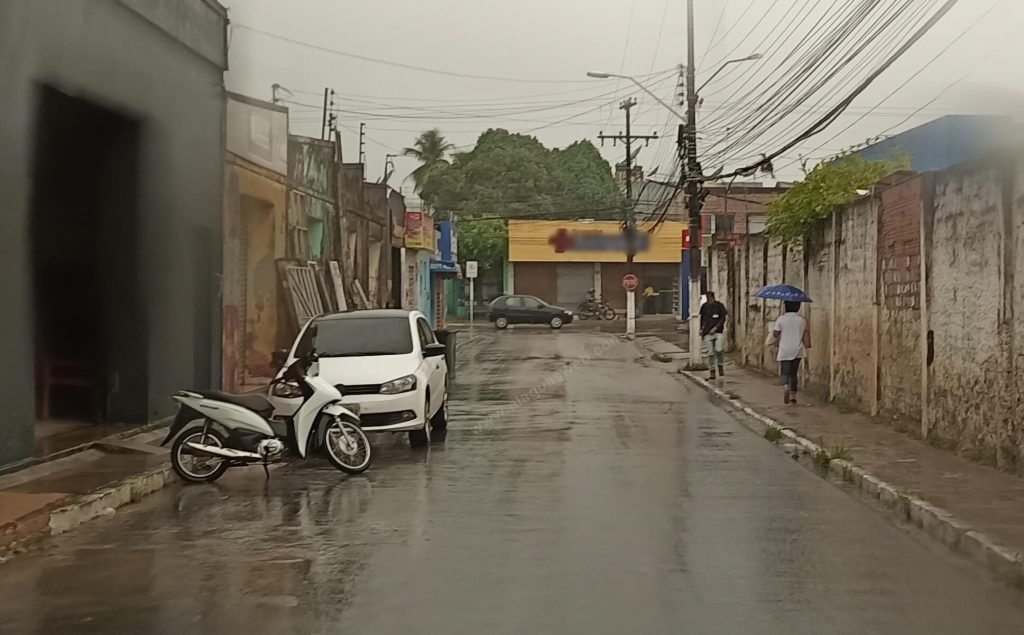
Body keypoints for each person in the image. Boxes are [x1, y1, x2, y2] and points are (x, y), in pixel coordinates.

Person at [772, 301, 811, 405]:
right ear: (798, 307)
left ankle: (786, 387)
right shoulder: (802, 320)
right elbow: (806, 336)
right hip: (797, 350)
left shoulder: (781, 319)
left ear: (786, 307)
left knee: (785, 371)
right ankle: (793, 395)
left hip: (784, 349)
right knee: (794, 373)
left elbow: (775, 334)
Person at [699, 291, 728, 380]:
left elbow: (723, 318)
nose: (708, 300)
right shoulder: (704, 307)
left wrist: (716, 328)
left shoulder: (719, 306)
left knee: (718, 349)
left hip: (718, 332)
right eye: (707, 299)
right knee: (710, 353)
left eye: (710, 298)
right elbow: (702, 318)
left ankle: (720, 365)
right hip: (707, 332)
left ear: (713, 298)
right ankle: (712, 370)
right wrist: (701, 329)